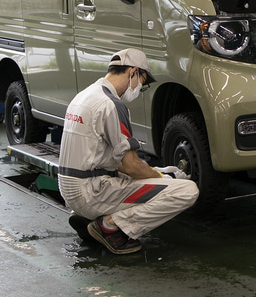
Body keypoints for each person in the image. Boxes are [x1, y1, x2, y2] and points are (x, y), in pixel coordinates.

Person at [58, 49, 199, 254]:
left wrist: (154, 171)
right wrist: (162, 177)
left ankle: (88, 217)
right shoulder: (112, 104)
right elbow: (131, 166)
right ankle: (110, 226)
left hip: (69, 190)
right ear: (133, 72)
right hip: (91, 193)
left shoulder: (85, 96)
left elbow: (106, 157)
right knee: (187, 191)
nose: (139, 88)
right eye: (142, 81)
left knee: (138, 176)